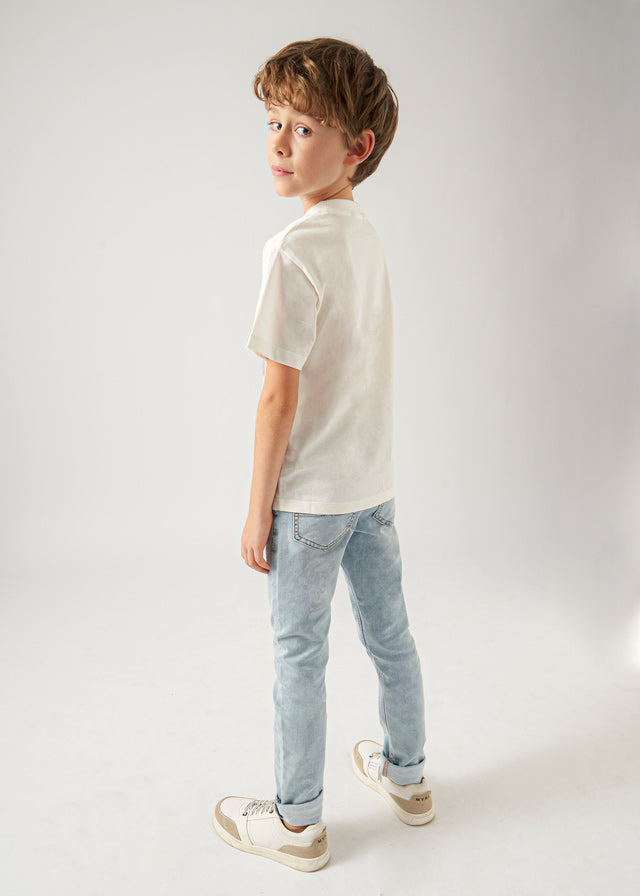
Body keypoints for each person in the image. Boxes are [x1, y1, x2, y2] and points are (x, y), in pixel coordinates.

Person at [212, 37, 434, 873]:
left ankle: (298, 823)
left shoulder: (294, 250)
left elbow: (278, 398)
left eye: (303, 129)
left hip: (308, 502)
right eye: (273, 122)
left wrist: (257, 508)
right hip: (372, 488)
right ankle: (409, 777)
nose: (279, 143)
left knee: (299, 656)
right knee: (391, 636)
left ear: (357, 147)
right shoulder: (363, 238)